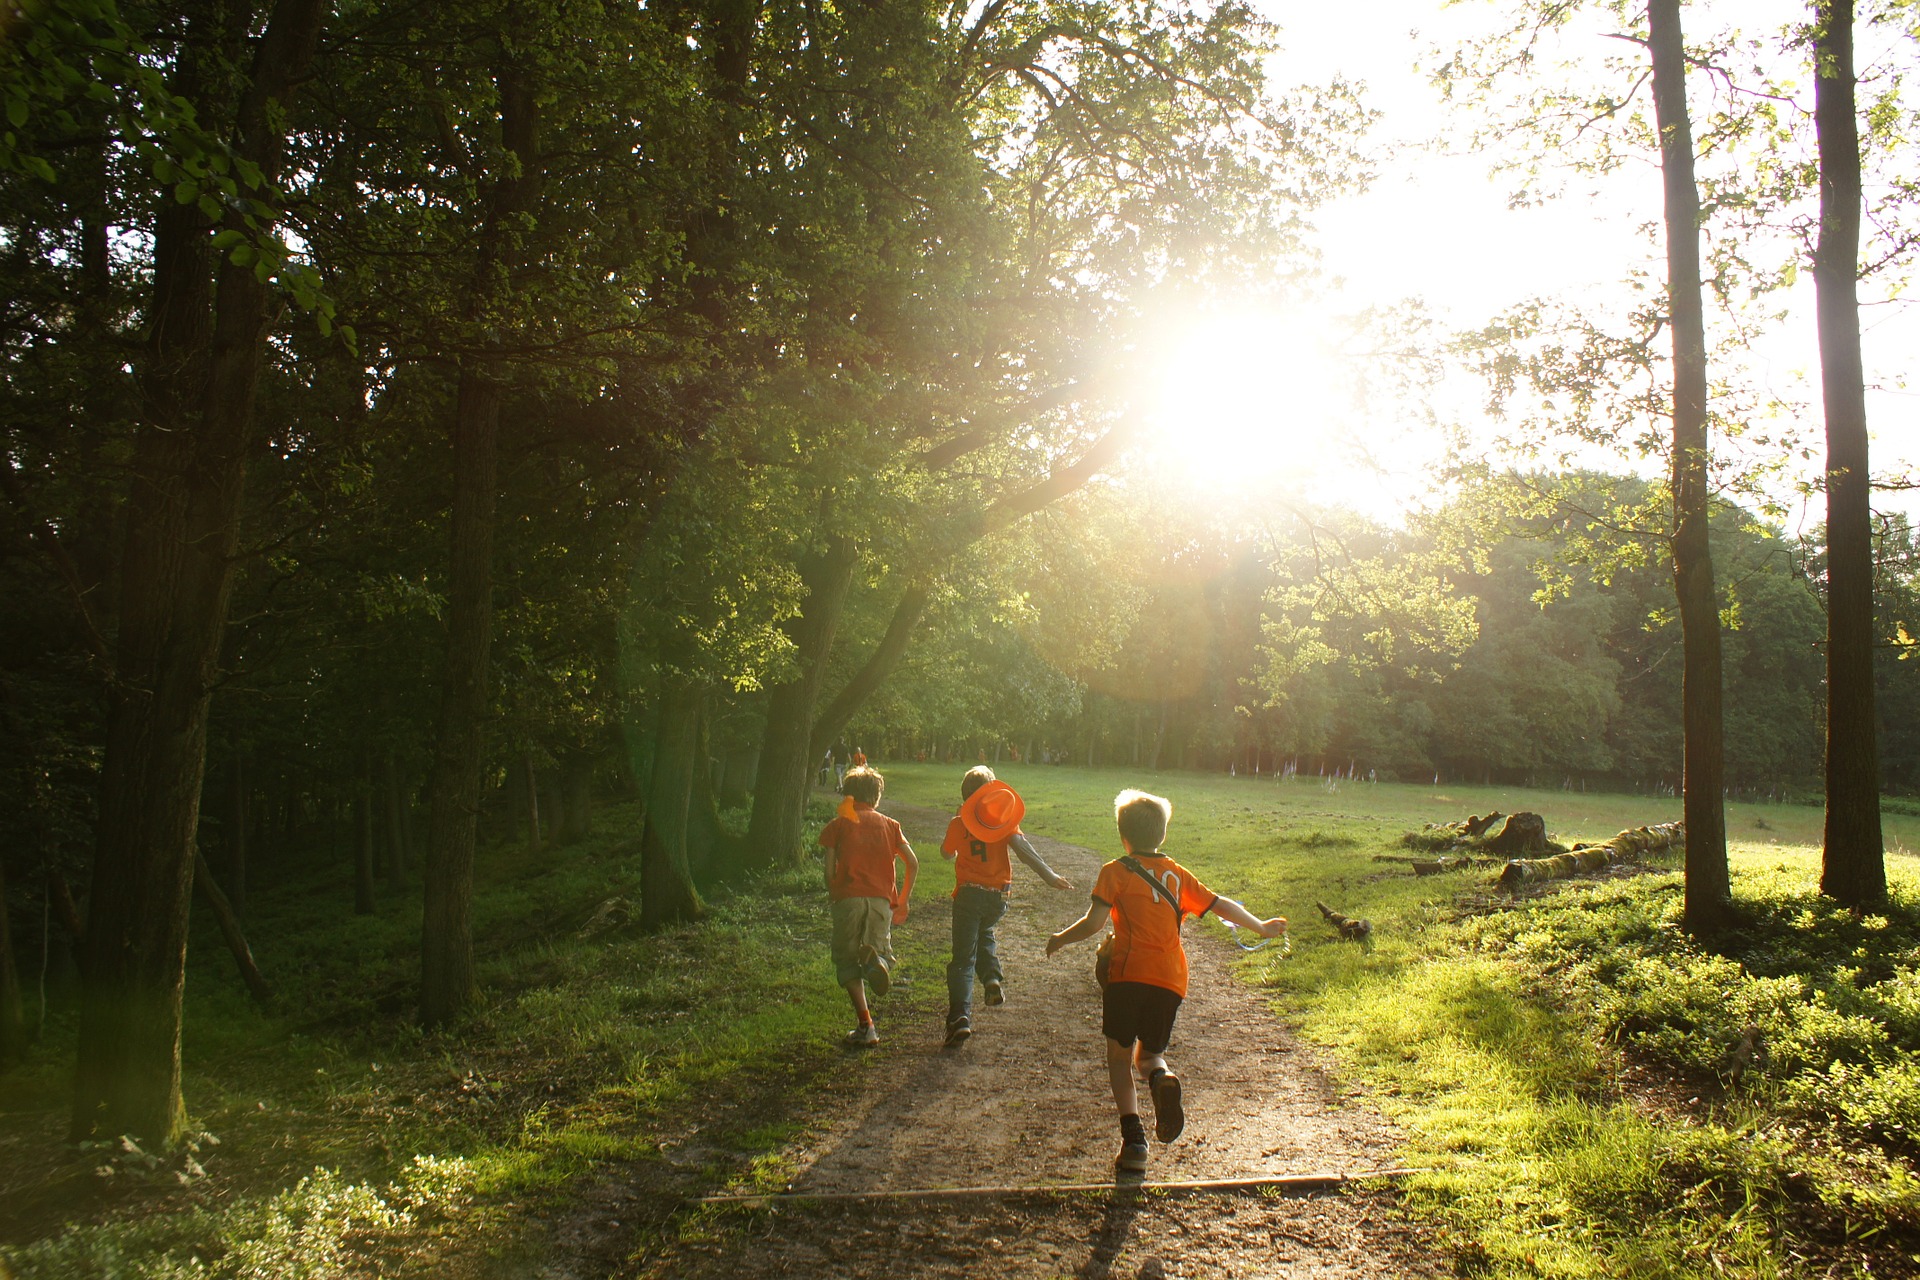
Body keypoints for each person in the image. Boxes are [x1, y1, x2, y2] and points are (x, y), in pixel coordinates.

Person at [1045, 788, 1287, 1172]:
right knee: (1150, 1054)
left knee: (1120, 1058)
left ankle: (1135, 1143)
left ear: (1124, 836)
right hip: (1170, 980)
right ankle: (1161, 1076)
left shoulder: (1114, 872)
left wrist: (1060, 938)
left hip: (1126, 977)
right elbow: (1221, 904)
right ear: (1163, 835)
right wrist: (1260, 926)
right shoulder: (1177, 874)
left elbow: (1094, 924)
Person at [938, 767, 1074, 1048]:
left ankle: (959, 1018)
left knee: (963, 959)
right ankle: (991, 979)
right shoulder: (1003, 823)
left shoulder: (957, 823)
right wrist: (1050, 877)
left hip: (968, 896)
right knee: (984, 933)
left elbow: (945, 853)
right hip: (998, 898)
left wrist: (957, 830)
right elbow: (1025, 852)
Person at [818, 766, 918, 1047]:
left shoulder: (837, 825)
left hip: (847, 898)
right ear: (876, 796)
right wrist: (904, 899)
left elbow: (828, 870)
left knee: (847, 961)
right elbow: (912, 862)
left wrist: (834, 891)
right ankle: (880, 962)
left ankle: (866, 1026)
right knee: (879, 947)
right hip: (880, 901)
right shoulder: (891, 825)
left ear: (848, 795)